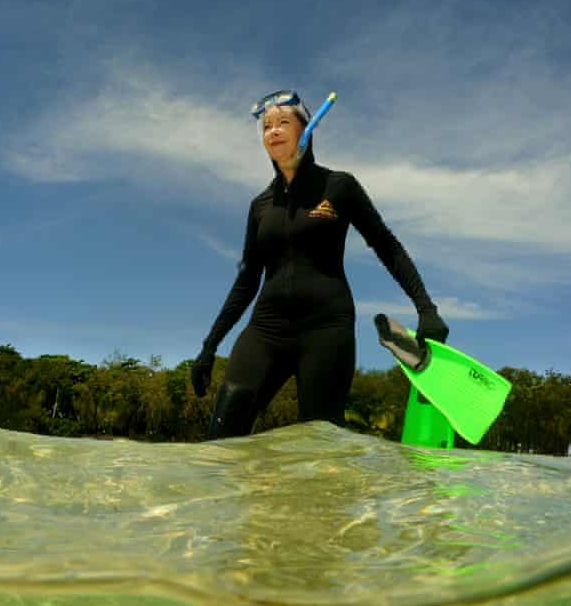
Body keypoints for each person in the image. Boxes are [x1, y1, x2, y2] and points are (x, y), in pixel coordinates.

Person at [191, 90, 448, 439]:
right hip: (266, 329)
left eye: (283, 122)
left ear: (307, 128)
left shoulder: (339, 187)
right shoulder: (260, 206)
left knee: (319, 444)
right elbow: (247, 279)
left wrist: (425, 307)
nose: (273, 131)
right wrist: (210, 346)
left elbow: (387, 247)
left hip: (326, 329)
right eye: (266, 126)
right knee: (221, 436)